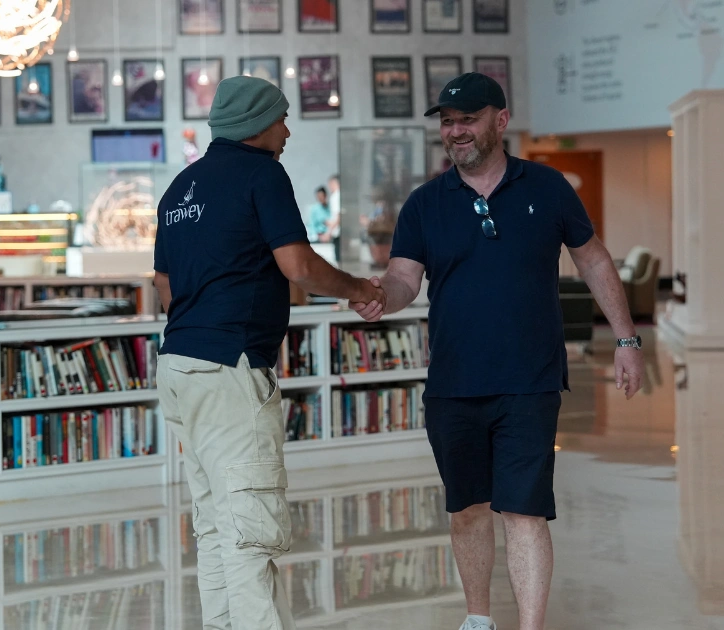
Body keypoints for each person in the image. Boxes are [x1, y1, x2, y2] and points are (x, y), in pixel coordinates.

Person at [352, 73, 645, 630]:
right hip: (454, 382)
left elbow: (594, 260)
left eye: (467, 119)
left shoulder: (547, 187)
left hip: (530, 380)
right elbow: (403, 280)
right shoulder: (424, 204)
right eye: (447, 121)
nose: (456, 131)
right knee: (467, 510)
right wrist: (377, 299)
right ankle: (479, 620)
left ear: (500, 121)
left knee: (525, 509)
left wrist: (627, 340)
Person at [152, 76, 385, 630]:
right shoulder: (263, 174)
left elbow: (164, 285)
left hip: (180, 364)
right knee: (251, 529)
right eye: (281, 119)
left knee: (215, 523)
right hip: (230, 369)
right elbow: (299, 266)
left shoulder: (180, 186)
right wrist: (360, 290)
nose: (288, 131)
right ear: (257, 124)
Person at [325, 174, 342, 262]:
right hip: (340, 232)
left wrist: (329, 231)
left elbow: (339, 215)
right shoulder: (340, 195)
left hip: (338, 233)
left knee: (339, 259)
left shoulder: (336, 196)